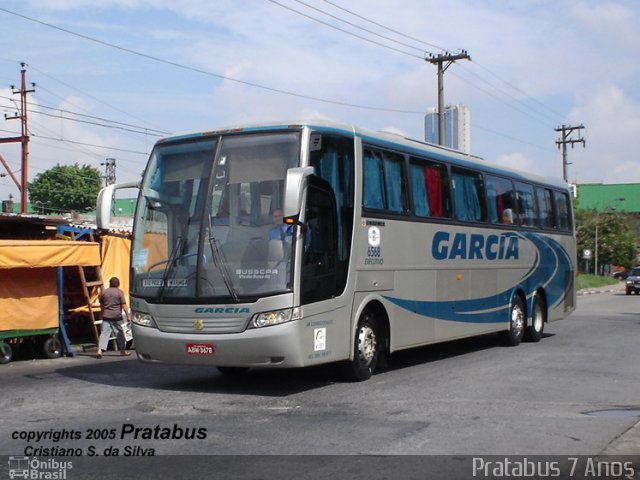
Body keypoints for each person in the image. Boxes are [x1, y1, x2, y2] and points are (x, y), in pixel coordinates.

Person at [96, 277, 131, 359]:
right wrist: (128, 316)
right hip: (117, 317)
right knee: (120, 334)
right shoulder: (120, 292)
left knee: (104, 334)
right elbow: (123, 305)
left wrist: (102, 312)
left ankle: (100, 350)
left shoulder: (104, 292)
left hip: (106, 316)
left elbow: (101, 303)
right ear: (118, 284)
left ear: (110, 283)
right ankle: (122, 351)